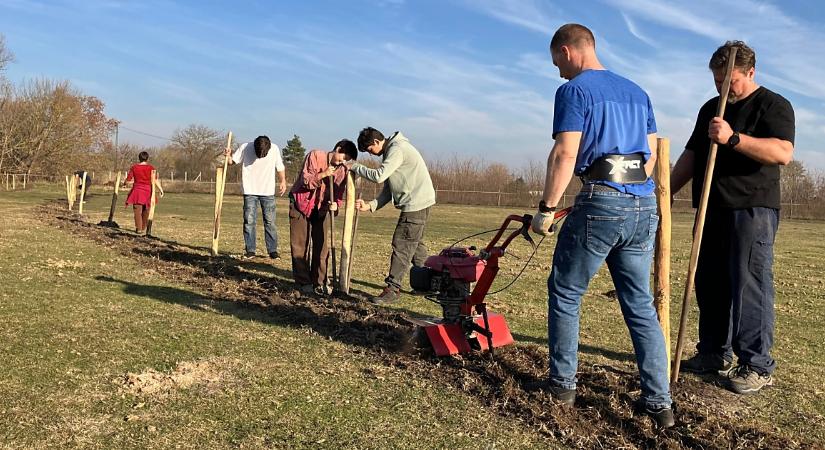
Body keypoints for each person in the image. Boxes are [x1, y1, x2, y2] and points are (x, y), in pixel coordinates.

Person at [530, 24, 673, 428]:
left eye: (557, 61)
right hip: (643, 204)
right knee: (640, 304)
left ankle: (561, 387)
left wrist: (547, 207)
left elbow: (565, 152)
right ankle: (659, 403)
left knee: (566, 291)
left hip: (600, 201)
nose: (558, 70)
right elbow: (650, 156)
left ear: (568, 50)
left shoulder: (574, 91)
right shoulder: (637, 91)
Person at [671, 41, 794, 395]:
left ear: (750, 73)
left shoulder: (773, 105)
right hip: (712, 208)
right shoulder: (710, 108)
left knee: (749, 285)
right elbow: (692, 155)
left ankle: (756, 364)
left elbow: (782, 152)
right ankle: (713, 352)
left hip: (752, 209)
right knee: (708, 281)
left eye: (730, 81)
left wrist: (733, 138)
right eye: (717, 80)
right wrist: (662, 192)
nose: (722, 88)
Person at [351, 127, 436, 304]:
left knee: (402, 244)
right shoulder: (392, 151)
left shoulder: (397, 149)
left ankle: (393, 289)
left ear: (376, 141)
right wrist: (371, 206)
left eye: (369, 150)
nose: (371, 154)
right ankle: (428, 284)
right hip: (421, 201)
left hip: (416, 203)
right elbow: (388, 189)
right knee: (415, 244)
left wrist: (355, 167)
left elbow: (379, 176)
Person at [289, 139, 357, 295]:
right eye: (343, 157)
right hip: (301, 204)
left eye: (347, 160)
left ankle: (319, 281)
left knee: (322, 247)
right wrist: (324, 174)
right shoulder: (315, 155)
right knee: (300, 245)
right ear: (337, 149)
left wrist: (335, 205)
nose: (343, 162)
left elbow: (338, 193)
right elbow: (306, 181)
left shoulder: (343, 170)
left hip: (322, 208)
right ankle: (303, 282)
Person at [225, 135, 286, 259]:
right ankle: (250, 250)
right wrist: (228, 156)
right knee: (249, 221)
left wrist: (283, 181)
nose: (261, 156)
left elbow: (280, 167)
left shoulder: (274, 149)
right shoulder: (245, 147)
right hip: (250, 190)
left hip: (267, 191)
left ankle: (272, 251)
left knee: (270, 222)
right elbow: (232, 162)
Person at [123, 151, 163, 234]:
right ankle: (143, 227)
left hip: (137, 191)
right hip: (148, 191)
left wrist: (125, 183)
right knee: (146, 210)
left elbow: (128, 179)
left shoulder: (134, 167)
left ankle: (139, 228)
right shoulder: (151, 168)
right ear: (147, 158)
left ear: (139, 158)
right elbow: (155, 180)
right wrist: (160, 189)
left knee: (137, 210)